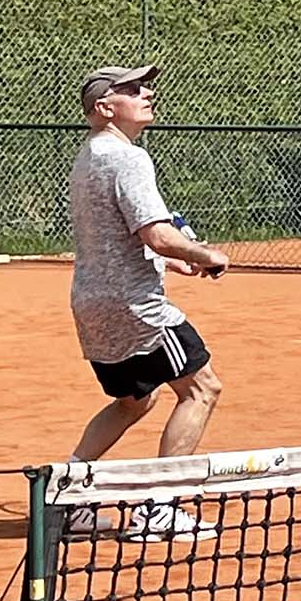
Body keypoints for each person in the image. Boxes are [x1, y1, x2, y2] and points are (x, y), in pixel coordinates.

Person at [64, 63, 230, 539]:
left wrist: (170, 262)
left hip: (92, 304)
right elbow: (157, 234)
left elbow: (115, 236)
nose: (146, 94)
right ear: (104, 107)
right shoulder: (129, 158)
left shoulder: (88, 156)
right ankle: (160, 507)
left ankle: (65, 496)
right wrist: (204, 253)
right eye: (133, 89)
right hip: (137, 307)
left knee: (134, 400)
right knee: (202, 389)